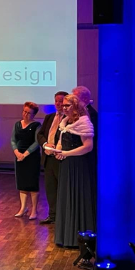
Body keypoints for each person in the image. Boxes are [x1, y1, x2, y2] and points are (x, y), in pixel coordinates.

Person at [52, 94, 96, 247]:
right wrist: (58, 151)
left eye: (67, 105)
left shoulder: (83, 122)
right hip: (66, 165)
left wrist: (66, 153)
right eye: (63, 105)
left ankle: (79, 238)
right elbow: (60, 141)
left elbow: (88, 147)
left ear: (76, 106)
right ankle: (66, 237)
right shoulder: (65, 122)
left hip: (78, 166)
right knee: (66, 197)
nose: (64, 108)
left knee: (77, 197)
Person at [39, 91, 68, 224]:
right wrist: (45, 144)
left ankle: (64, 217)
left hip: (60, 159)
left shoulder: (69, 119)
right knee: (50, 188)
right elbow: (40, 135)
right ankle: (52, 215)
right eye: (56, 101)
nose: (58, 103)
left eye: (61, 101)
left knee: (62, 189)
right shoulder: (49, 117)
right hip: (48, 158)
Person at [11, 102, 41, 219]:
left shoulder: (37, 125)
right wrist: (17, 153)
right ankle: (23, 208)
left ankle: (34, 210)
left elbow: (37, 142)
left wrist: (25, 154)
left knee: (32, 184)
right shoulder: (17, 124)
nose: (25, 114)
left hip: (31, 157)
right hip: (19, 157)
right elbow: (13, 140)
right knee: (22, 183)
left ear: (33, 114)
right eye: (24, 111)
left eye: (28, 113)